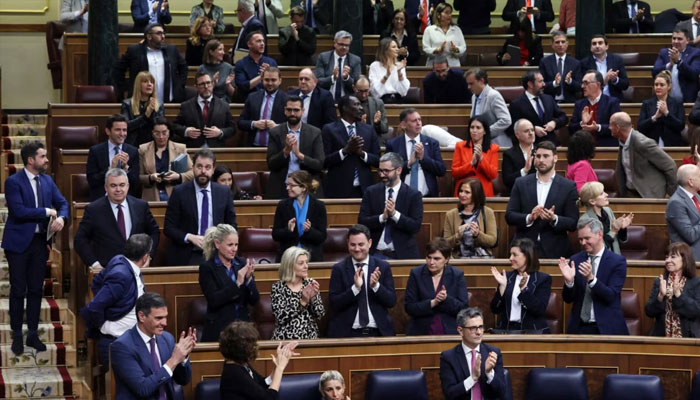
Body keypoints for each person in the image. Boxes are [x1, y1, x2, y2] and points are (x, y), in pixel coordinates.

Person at [3, 141, 68, 354]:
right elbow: (19, 212)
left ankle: (32, 334)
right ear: (31, 160)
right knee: (18, 289)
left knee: (35, 289)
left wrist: (63, 218)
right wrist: (47, 212)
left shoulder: (48, 181)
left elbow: (63, 203)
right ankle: (17, 335)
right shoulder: (13, 182)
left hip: (40, 243)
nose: (47, 160)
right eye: (43, 156)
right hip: (18, 244)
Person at [80, 234, 152, 365]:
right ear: (145, 257)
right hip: (117, 343)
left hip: (130, 341)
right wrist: (104, 325)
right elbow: (95, 307)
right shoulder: (121, 275)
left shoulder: (120, 260)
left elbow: (97, 282)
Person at [110, 292, 194, 399]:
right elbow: (143, 388)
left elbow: (183, 380)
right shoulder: (122, 346)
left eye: (165, 317)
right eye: (158, 318)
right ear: (142, 316)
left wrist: (183, 356)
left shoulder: (167, 339)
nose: (165, 323)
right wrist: (173, 361)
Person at [74, 168, 160, 272]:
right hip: (107, 271)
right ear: (106, 187)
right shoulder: (94, 210)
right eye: (113, 186)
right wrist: (95, 264)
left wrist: (149, 256)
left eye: (122, 185)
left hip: (137, 269)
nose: (118, 189)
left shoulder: (140, 206)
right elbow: (79, 240)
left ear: (128, 186)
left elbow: (154, 231)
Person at [506, 140, 579, 259]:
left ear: (555, 158)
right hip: (524, 249)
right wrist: (530, 217)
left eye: (546, 156)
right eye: (538, 156)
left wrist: (554, 218)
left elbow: (573, 222)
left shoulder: (568, 186)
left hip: (555, 249)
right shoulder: (521, 183)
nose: (541, 160)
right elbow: (509, 216)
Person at [164, 148, 237, 266]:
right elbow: (169, 227)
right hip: (188, 251)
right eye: (199, 166)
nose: (203, 171)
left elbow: (232, 225)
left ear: (213, 170)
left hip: (217, 251)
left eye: (207, 167)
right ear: (193, 167)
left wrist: (219, 242)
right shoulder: (179, 192)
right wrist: (190, 237)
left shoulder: (224, 192)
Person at [559, 218, 629, 335]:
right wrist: (569, 282)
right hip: (579, 328)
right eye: (580, 239)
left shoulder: (617, 261)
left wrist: (591, 279)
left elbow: (611, 296)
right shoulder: (575, 260)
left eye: (587, 238)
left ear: (599, 234)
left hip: (607, 329)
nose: (582, 243)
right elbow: (568, 299)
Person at [328, 224, 397, 337]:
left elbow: (391, 301)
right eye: (353, 245)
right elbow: (334, 304)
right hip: (348, 333)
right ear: (347, 244)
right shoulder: (339, 269)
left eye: (361, 244)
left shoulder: (383, 267)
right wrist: (355, 289)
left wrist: (376, 286)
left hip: (378, 332)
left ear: (369, 243)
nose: (357, 249)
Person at [198, 224, 259, 342]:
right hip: (219, 330)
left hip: (243, 330)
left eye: (236, 245)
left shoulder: (241, 263)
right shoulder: (207, 268)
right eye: (230, 245)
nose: (234, 249)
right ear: (217, 244)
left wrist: (249, 280)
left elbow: (254, 300)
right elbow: (214, 300)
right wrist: (237, 283)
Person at [358, 152, 424, 259]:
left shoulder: (413, 195)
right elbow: (362, 221)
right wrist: (382, 217)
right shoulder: (371, 192)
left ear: (398, 170)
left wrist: (394, 214)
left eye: (386, 171)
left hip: (402, 255)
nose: (382, 174)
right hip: (375, 254)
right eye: (380, 170)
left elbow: (415, 226)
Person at [439, 307, 507, 400]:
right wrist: (473, 378)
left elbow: (502, 392)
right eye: (473, 328)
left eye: (480, 327)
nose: (479, 332)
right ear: (460, 331)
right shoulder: (448, 357)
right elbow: (449, 393)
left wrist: (489, 373)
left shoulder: (493, 353)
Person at [404, 238, 469, 335]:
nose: (431, 262)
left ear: (446, 259)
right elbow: (409, 307)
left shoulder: (457, 275)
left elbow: (464, 308)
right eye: (429, 257)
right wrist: (433, 303)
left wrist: (446, 299)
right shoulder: (416, 274)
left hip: (450, 330)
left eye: (436, 258)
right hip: (421, 330)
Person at [218, 321, 299, 399]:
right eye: (252, 344)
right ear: (241, 347)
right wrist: (279, 369)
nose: (256, 347)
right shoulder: (233, 372)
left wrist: (276, 367)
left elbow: (263, 383)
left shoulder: (240, 364)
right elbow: (269, 398)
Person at [266, 96, 325, 199]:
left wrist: (299, 155)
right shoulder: (275, 132)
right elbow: (271, 164)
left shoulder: (314, 132)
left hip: (307, 187)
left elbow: (319, 164)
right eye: (289, 110)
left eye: (296, 110)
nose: (292, 113)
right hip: (282, 187)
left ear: (303, 111)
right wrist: (285, 151)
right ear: (285, 111)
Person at [322, 95, 381, 198]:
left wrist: (362, 154)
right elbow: (324, 162)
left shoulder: (368, 130)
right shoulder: (329, 129)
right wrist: (345, 151)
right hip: (338, 189)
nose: (361, 108)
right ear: (345, 108)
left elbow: (378, 160)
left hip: (364, 189)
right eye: (356, 104)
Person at [112, 23, 186, 103]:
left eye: (163, 33)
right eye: (159, 33)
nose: (163, 37)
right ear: (149, 36)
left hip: (168, 100)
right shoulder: (135, 51)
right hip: (141, 102)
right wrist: (127, 87)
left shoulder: (172, 50)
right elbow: (118, 69)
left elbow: (183, 67)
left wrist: (179, 85)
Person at [490, 238, 552, 333]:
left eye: (514, 255)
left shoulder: (542, 279)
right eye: (510, 254)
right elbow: (495, 309)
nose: (510, 258)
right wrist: (501, 288)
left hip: (532, 332)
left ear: (527, 256)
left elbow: (539, 310)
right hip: (507, 330)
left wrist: (524, 290)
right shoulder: (507, 277)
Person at [611, 111, 677, 198]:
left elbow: (670, 165)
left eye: (610, 125)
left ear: (617, 127)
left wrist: (671, 193)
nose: (609, 128)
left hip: (650, 195)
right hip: (631, 193)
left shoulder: (642, 143)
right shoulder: (622, 142)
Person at [386, 108, 446, 197]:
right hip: (401, 196)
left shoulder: (432, 143)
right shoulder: (393, 144)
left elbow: (441, 170)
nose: (418, 123)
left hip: (427, 197)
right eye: (414, 121)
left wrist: (423, 158)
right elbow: (388, 173)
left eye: (419, 120)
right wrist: (409, 163)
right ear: (403, 125)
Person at [645, 242, 700, 337]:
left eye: (673, 257)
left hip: (689, 337)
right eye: (666, 257)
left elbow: (696, 311)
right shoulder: (660, 281)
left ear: (685, 259)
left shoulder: (696, 282)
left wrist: (678, 295)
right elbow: (649, 312)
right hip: (661, 336)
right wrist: (660, 296)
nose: (668, 260)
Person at [272, 170, 327, 261]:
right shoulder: (283, 205)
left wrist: (309, 231)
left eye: (292, 185)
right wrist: (288, 230)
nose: (287, 188)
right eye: (287, 185)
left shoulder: (319, 206)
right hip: (288, 257)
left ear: (303, 188)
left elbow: (322, 237)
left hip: (311, 257)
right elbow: (275, 235)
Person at [271, 247, 325, 339]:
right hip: (285, 338)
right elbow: (281, 317)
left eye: (306, 262)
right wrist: (303, 301)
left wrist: (313, 299)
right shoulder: (278, 287)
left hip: (309, 337)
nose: (306, 266)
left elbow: (320, 314)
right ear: (290, 265)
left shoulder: (310, 284)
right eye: (301, 263)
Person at [172, 72, 235, 148]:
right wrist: (186, 131)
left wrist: (220, 132)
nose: (206, 86)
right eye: (202, 84)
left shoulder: (224, 105)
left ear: (213, 84)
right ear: (196, 87)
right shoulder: (186, 106)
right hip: (193, 148)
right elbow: (175, 126)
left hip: (216, 149)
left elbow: (232, 128)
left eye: (208, 83)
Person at [86, 114, 140, 200]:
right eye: (118, 130)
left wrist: (126, 168)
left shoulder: (133, 151)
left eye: (124, 130)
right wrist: (110, 169)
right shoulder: (96, 151)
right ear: (108, 131)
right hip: (102, 200)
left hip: (126, 200)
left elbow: (136, 184)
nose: (122, 134)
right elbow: (92, 181)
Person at [139, 117, 193, 202]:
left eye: (164, 133)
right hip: (152, 195)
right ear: (152, 133)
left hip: (175, 194)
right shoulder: (143, 149)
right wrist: (151, 177)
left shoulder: (180, 148)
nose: (161, 137)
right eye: (157, 133)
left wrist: (178, 176)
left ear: (169, 132)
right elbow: (138, 177)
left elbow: (192, 172)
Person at [507, 71, 568, 144]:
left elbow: (564, 117)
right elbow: (512, 128)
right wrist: (532, 129)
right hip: (530, 146)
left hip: (551, 145)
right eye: (540, 81)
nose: (544, 84)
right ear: (530, 84)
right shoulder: (516, 104)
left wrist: (554, 123)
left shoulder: (548, 99)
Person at [443, 178, 498, 258]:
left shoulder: (488, 213)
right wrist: (457, 236)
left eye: (467, 192)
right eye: (461, 191)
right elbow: (445, 244)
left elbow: (492, 241)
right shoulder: (451, 215)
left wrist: (478, 234)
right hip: (459, 259)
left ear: (476, 194)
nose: (462, 195)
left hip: (483, 258)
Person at [569, 70, 621, 147]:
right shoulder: (579, 104)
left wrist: (597, 127)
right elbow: (571, 129)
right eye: (582, 83)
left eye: (586, 83)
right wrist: (582, 123)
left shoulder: (612, 102)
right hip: (583, 147)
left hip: (605, 147)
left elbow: (616, 127)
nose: (582, 86)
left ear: (598, 84)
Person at [238, 67, 288, 147]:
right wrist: (254, 124)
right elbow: (240, 122)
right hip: (253, 147)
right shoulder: (252, 97)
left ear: (280, 81)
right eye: (267, 80)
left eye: (273, 80)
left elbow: (294, 126)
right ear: (262, 80)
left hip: (277, 148)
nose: (270, 83)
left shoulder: (287, 100)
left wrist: (277, 127)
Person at [451, 116, 499, 198]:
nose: (474, 130)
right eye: (472, 127)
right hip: (464, 192)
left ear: (484, 131)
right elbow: (455, 173)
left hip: (484, 192)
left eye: (478, 128)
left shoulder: (493, 148)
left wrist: (481, 159)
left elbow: (493, 174)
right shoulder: (460, 146)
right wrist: (471, 164)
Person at [580, 181, 632, 255]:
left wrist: (622, 229)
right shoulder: (584, 220)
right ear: (592, 201)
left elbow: (617, 240)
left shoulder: (608, 211)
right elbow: (596, 249)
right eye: (601, 194)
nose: (606, 194)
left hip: (614, 258)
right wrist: (613, 231)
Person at [638, 71, 687, 147]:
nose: (658, 87)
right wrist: (654, 118)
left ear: (669, 86)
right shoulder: (647, 103)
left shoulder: (677, 103)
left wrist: (667, 113)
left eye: (662, 85)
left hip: (672, 144)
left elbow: (681, 126)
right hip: (651, 145)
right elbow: (640, 127)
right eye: (656, 85)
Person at [651, 28, 700, 104]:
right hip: (664, 101)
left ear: (687, 40)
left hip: (686, 100)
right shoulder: (664, 53)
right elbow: (654, 72)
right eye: (674, 38)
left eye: (679, 39)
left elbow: (694, 74)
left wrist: (679, 62)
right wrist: (669, 65)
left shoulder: (695, 53)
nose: (676, 41)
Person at [466, 68, 512, 147]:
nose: (468, 87)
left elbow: (506, 120)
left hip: (497, 143)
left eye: (471, 84)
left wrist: (485, 132)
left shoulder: (493, 95)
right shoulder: (474, 97)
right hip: (481, 144)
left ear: (481, 81)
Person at [315, 31, 362, 103]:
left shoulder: (355, 60)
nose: (344, 47)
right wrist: (332, 78)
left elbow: (357, 86)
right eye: (341, 44)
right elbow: (318, 81)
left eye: (347, 45)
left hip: (348, 101)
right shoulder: (323, 57)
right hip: (325, 99)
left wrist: (347, 78)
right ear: (334, 43)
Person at [578, 35, 630, 102]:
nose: (597, 46)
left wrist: (615, 80)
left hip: (613, 100)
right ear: (591, 48)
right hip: (592, 101)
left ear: (606, 46)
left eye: (600, 43)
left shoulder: (617, 60)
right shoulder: (584, 63)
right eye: (594, 44)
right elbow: (581, 86)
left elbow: (625, 85)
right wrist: (603, 82)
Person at [121, 71, 166, 147]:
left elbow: (159, 126)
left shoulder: (159, 104)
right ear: (138, 85)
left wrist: (152, 112)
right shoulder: (127, 104)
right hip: (133, 144)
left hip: (153, 145)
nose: (149, 84)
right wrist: (145, 115)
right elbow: (126, 126)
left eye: (151, 82)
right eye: (145, 81)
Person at [666, 164, 700, 260]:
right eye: (699, 176)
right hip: (690, 260)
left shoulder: (696, 196)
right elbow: (690, 235)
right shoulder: (676, 203)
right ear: (691, 182)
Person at [234, 31, 279, 100]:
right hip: (248, 100)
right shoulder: (240, 64)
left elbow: (277, 84)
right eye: (258, 41)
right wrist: (261, 76)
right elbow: (242, 87)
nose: (262, 44)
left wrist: (269, 75)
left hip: (269, 98)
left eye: (263, 41)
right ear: (249, 44)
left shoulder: (271, 62)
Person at [540, 31, 581, 103]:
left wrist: (570, 81)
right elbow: (541, 85)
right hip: (550, 101)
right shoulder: (545, 62)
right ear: (552, 45)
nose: (560, 45)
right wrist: (554, 83)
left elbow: (579, 86)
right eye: (557, 42)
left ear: (567, 44)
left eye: (563, 42)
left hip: (569, 101)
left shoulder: (575, 63)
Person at [422, 3, 466, 67]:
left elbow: (463, 47)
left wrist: (456, 49)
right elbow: (426, 49)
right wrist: (437, 50)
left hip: (453, 65)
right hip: (435, 65)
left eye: (450, 13)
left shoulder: (457, 29)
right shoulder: (429, 30)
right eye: (446, 13)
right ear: (438, 15)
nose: (450, 15)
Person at [369, 38, 410, 104]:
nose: (397, 49)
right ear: (385, 50)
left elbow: (404, 91)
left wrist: (399, 73)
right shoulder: (375, 66)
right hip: (381, 102)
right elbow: (374, 91)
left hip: (399, 101)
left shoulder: (399, 65)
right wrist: (387, 75)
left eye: (397, 47)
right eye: (394, 47)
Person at [502, 119, 536, 193]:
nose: (531, 133)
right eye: (526, 131)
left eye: (532, 130)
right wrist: (525, 170)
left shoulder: (542, 151)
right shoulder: (509, 154)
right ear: (517, 135)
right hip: (518, 193)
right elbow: (507, 181)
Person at [354, 76, 390, 144]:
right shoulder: (348, 103)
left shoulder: (378, 103)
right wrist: (360, 125)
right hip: (355, 140)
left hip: (374, 141)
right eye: (360, 91)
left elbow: (385, 129)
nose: (364, 95)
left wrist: (377, 123)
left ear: (369, 88)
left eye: (366, 91)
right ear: (354, 88)